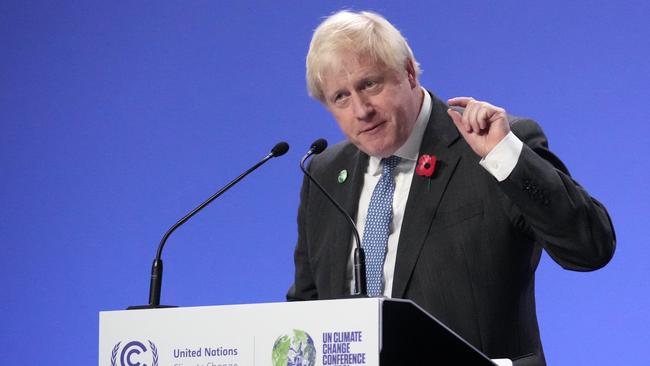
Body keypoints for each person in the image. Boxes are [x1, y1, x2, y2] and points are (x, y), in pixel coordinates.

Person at [287, 10, 615, 366]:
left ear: (409, 73)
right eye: (341, 97)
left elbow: (590, 247)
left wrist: (505, 157)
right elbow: (307, 308)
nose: (361, 110)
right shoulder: (324, 171)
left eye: (370, 84)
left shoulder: (492, 146)